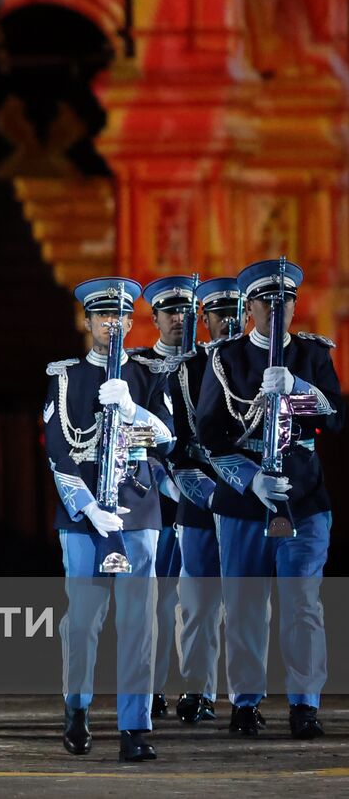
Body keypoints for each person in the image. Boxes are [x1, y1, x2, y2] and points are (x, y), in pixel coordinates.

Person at [196, 259, 342, 739]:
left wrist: (299, 389)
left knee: (302, 604)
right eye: (267, 301)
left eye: (287, 301)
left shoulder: (312, 356)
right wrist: (251, 480)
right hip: (246, 500)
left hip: (303, 497)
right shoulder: (227, 360)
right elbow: (210, 437)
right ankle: (246, 701)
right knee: (245, 606)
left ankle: (305, 704)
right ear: (251, 306)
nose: (278, 310)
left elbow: (335, 419)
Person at [44, 277, 174, 762]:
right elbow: (58, 450)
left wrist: (132, 404)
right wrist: (87, 506)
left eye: (120, 316)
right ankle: (76, 707)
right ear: (88, 321)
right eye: (102, 316)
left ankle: (134, 728)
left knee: (140, 623)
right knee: (82, 622)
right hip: (83, 515)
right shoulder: (65, 376)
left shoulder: (146, 373)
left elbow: (167, 439)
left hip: (137, 511)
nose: (111, 324)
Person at [170, 277, 242, 724]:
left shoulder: (256, 365)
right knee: (196, 601)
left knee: (246, 601)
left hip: (245, 493)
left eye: (237, 312)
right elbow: (176, 444)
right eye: (220, 314)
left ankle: (245, 698)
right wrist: (203, 490)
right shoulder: (187, 368)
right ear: (206, 319)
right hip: (198, 492)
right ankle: (198, 690)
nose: (228, 322)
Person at [127, 275, 198, 720]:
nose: (179, 319)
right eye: (170, 312)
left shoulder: (213, 362)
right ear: (154, 318)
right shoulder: (139, 367)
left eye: (187, 311)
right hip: (157, 494)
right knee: (156, 599)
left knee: (201, 602)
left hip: (205, 494)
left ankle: (198, 692)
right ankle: (151, 689)